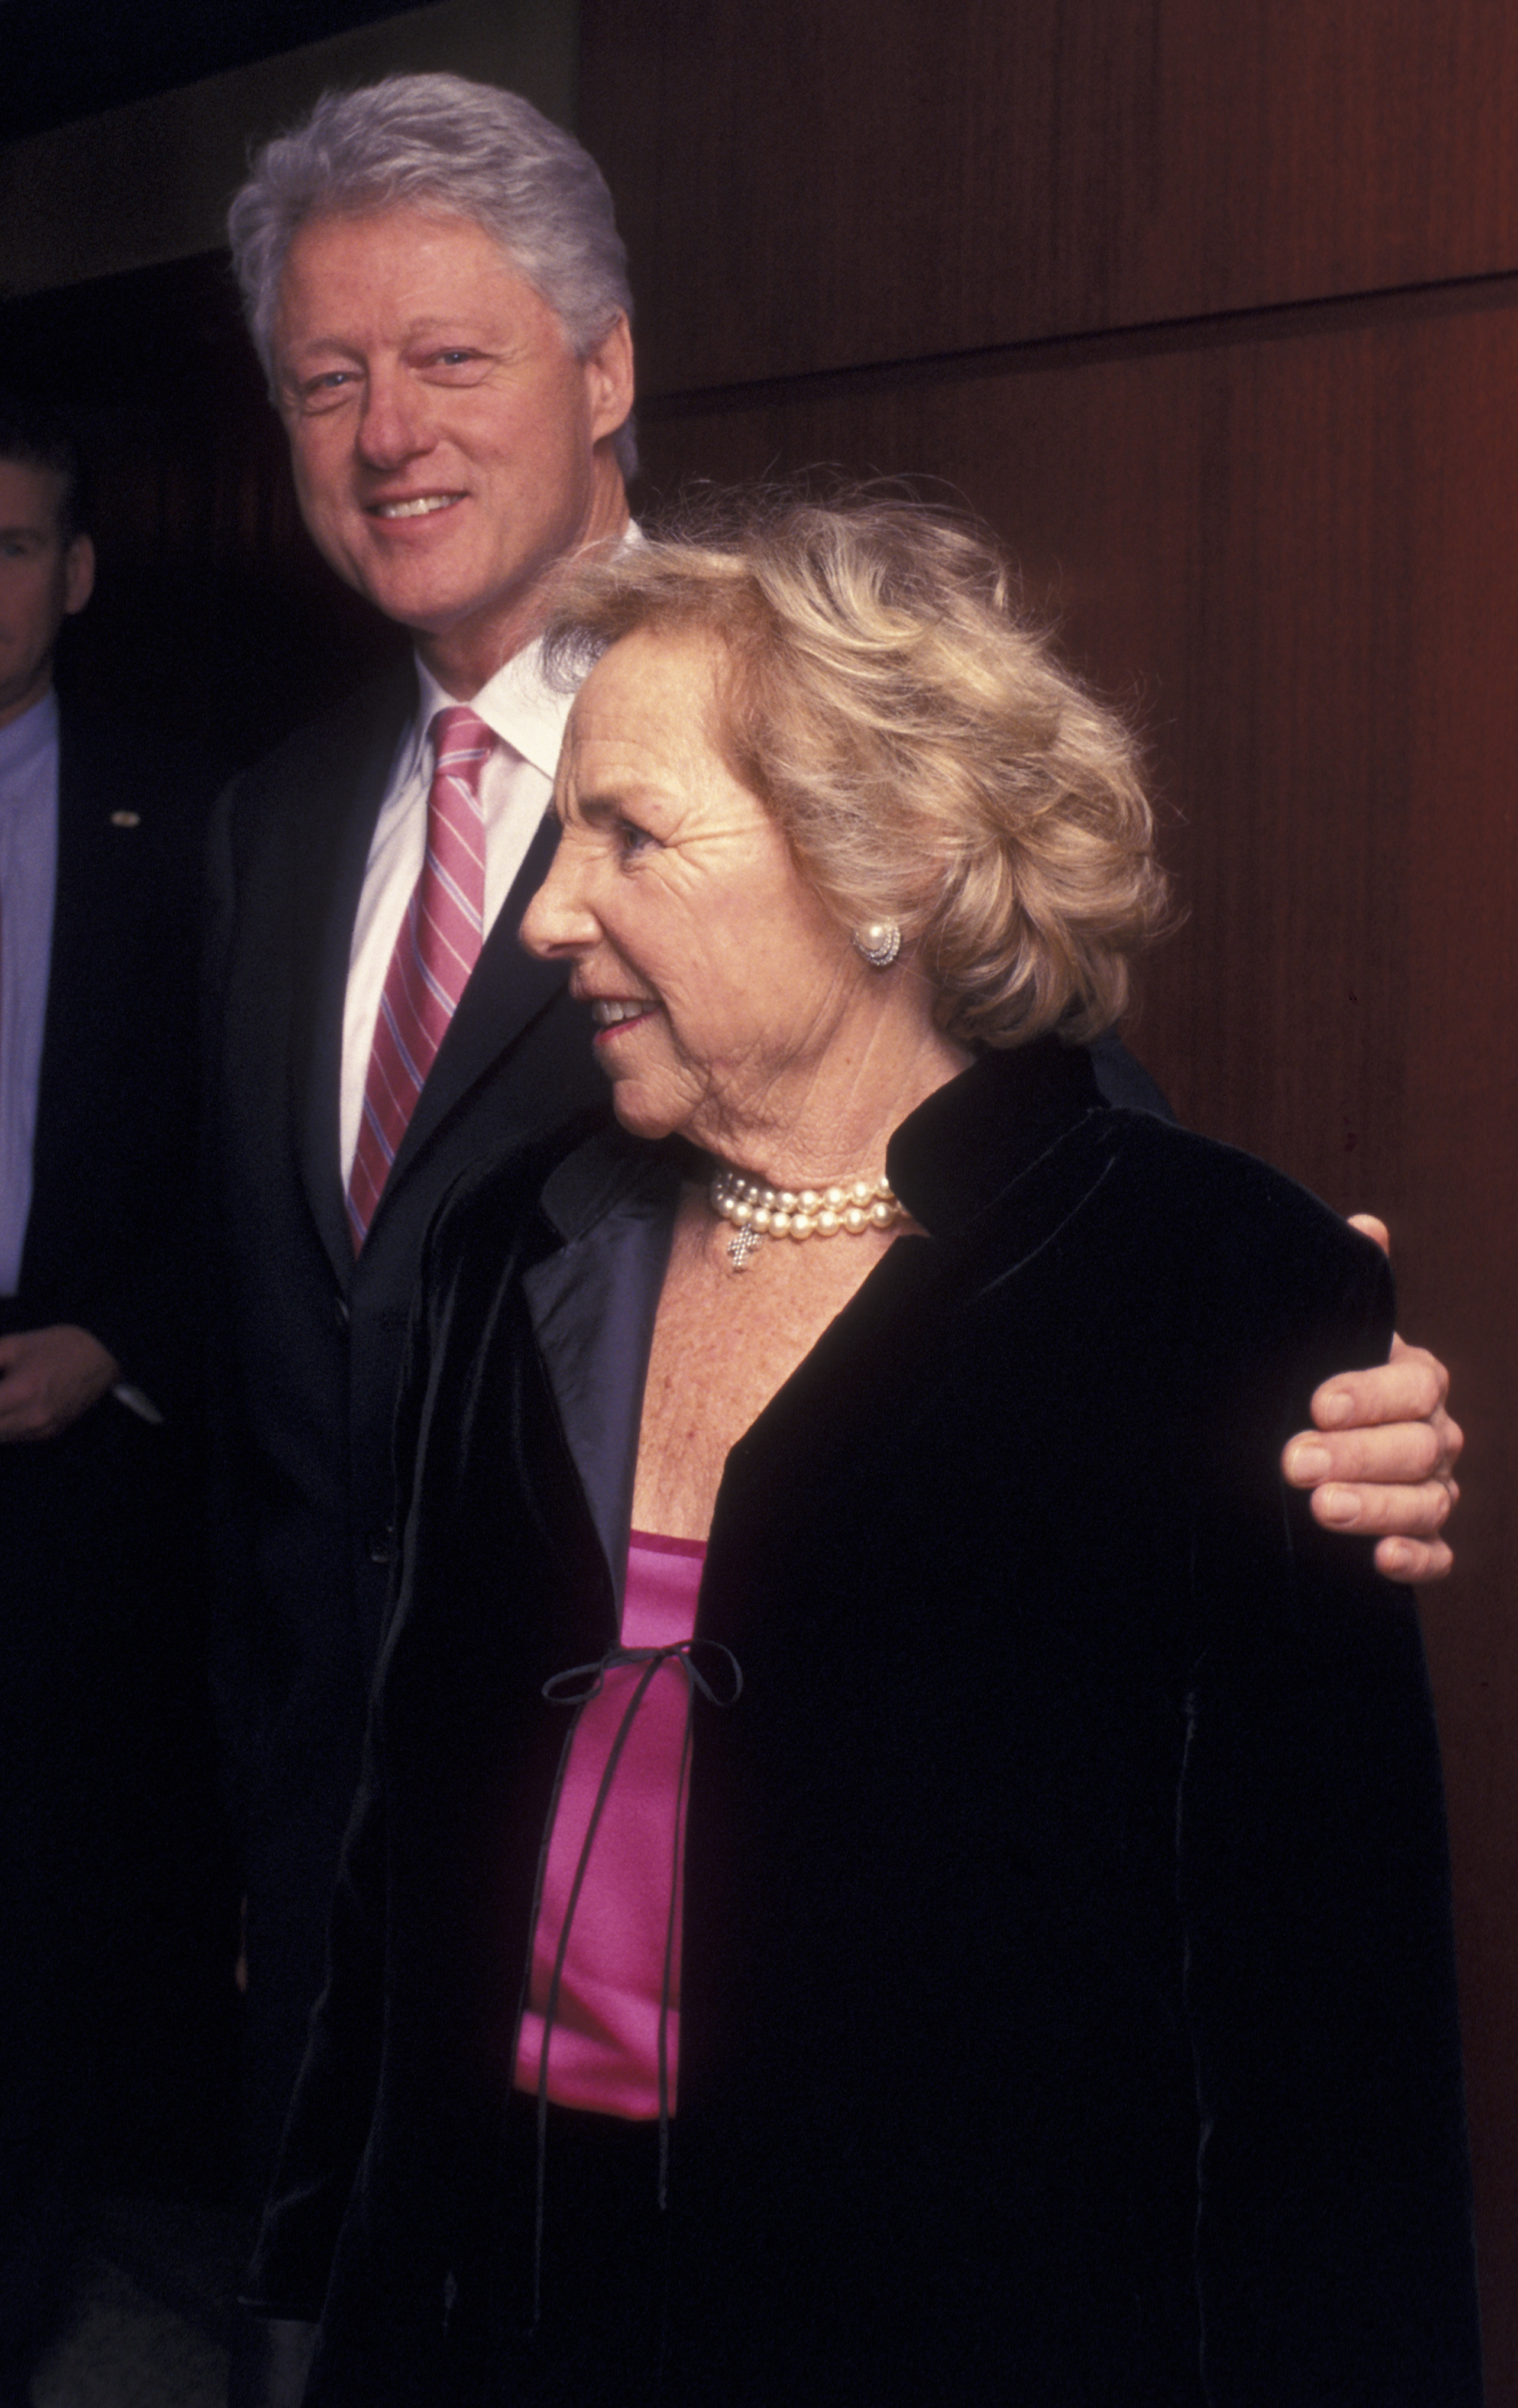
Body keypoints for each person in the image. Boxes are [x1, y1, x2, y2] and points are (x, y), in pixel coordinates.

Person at [208, 72, 1460, 2206]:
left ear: (603, 370)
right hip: (379, 1936)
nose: (384, 431)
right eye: (326, 379)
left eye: (446, 359)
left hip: (819, 2068)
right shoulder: (269, 812)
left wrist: (1295, 1386)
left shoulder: (794, 707)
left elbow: (1019, 1144)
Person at [0, 394, 214, 2401]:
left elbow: (250, 1162)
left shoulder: (190, 818)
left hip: (63, 1463)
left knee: (42, 1913)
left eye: (4, 549)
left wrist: (121, 1343)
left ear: (70, 576)